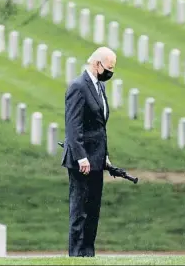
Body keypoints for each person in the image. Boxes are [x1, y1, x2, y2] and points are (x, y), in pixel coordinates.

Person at [62, 46, 117, 257]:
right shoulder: (78, 86)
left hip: (97, 158)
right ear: (97, 64)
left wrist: (105, 156)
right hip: (81, 160)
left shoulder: (99, 87)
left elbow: (99, 127)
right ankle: (76, 255)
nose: (110, 73)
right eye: (109, 68)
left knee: (93, 209)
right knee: (80, 210)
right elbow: (73, 126)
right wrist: (81, 156)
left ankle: (88, 254)